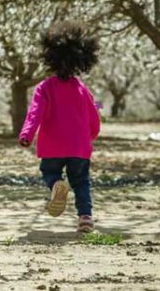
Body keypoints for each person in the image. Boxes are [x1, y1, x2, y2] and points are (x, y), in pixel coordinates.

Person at [18, 22, 101, 233]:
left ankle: (56, 184)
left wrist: (27, 134)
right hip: (79, 147)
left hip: (53, 146)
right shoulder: (83, 89)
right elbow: (94, 117)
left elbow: (34, 113)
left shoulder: (44, 87)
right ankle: (85, 218)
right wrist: (90, 136)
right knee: (81, 182)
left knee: (49, 171)